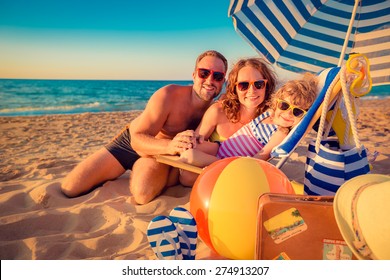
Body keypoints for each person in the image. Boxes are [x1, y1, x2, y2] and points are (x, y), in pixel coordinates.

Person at [61, 50, 228, 204]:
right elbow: (137, 138)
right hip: (133, 142)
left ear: (223, 82)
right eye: (204, 73)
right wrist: (170, 145)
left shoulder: (216, 111)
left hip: (162, 155)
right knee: (71, 187)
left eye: (218, 76)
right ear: (194, 75)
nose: (210, 80)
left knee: (143, 193)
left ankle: (143, 167)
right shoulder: (168, 95)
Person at [179, 73, 318, 185]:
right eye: (284, 106)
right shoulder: (268, 113)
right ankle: (210, 168)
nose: (288, 114)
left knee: (188, 160)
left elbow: (261, 157)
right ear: (276, 102)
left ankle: (215, 168)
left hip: (233, 162)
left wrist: (240, 167)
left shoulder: (280, 132)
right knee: (189, 146)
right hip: (220, 148)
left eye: (297, 112)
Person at [178, 57, 277, 186]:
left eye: (258, 84)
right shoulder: (218, 111)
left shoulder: (270, 120)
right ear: (234, 88)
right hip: (216, 166)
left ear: (266, 86)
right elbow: (195, 144)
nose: (252, 91)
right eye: (244, 85)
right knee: (187, 172)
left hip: (242, 176)